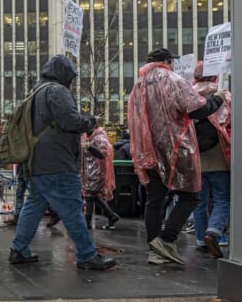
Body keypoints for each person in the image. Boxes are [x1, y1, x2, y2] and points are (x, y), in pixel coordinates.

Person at [9, 54, 115, 270]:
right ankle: (87, 255)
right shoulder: (57, 91)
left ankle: (18, 249)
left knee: (34, 206)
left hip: (37, 162)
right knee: (72, 208)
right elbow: (70, 121)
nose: (71, 81)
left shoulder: (35, 92)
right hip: (58, 162)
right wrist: (91, 121)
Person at [128, 48, 224, 265]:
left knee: (155, 200)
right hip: (176, 149)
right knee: (191, 196)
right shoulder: (172, 79)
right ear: (168, 61)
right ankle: (166, 239)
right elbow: (197, 110)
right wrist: (218, 98)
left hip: (148, 152)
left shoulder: (138, 86)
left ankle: (155, 249)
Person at [190, 61, 231, 259]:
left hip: (196, 160)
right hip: (219, 159)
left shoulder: (189, 97)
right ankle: (214, 232)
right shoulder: (224, 95)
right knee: (223, 198)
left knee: (200, 201)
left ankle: (200, 238)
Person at [80, 119, 120, 230]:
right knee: (92, 196)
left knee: (89, 196)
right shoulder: (87, 136)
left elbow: (103, 154)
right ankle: (111, 215)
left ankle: (87, 222)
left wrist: (90, 147)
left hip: (97, 172)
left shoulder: (99, 137)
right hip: (88, 172)